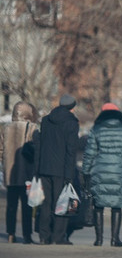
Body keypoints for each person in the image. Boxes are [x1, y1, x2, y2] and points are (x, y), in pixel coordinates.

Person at [82, 103, 122, 247]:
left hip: (99, 171)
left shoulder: (96, 130)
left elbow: (89, 153)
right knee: (117, 205)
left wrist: (86, 171)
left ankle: (99, 239)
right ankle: (115, 239)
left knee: (98, 205)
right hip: (119, 171)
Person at [34, 94, 80, 245]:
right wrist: (70, 174)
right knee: (61, 202)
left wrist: (38, 168)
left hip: (45, 167)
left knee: (46, 203)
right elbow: (71, 150)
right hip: (61, 169)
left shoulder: (46, 120)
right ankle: (58, 237)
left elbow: (40, 145)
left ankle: (43, 236)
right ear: (72, 107)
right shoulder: (72, 122)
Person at [1, 101, 39, 244]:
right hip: (26, 173)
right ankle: (27, 235)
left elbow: (1, 150)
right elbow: (35, 149)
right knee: (26, 206)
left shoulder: (6, 128)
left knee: (11, 206)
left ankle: (11, 234)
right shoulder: (32, 127)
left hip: (10, 172)